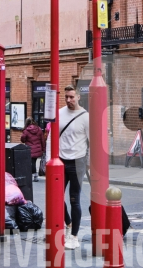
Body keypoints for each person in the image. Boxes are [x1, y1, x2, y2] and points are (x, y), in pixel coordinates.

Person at [57, 85, 89, 250]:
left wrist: (89, 163)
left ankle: (74, 236)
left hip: (78, 161)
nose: (69, 100)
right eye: (66, 97)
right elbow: (52, 138)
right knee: (56, 197)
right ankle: (68, 222)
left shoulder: (85, 117)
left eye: (71, 97)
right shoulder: (60, 113)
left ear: (78, 97)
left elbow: (92, 142)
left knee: (74, 199)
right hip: (61, 160)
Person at [20, 117, 45, 182]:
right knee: (33, 162)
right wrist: (43, 149)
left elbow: (22, 139)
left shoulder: (26, 130)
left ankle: (34, 175)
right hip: (38, 149)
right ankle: (33, 175)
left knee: (32, 163)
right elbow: (42, 140)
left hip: (30, 149)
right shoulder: (39, 129)